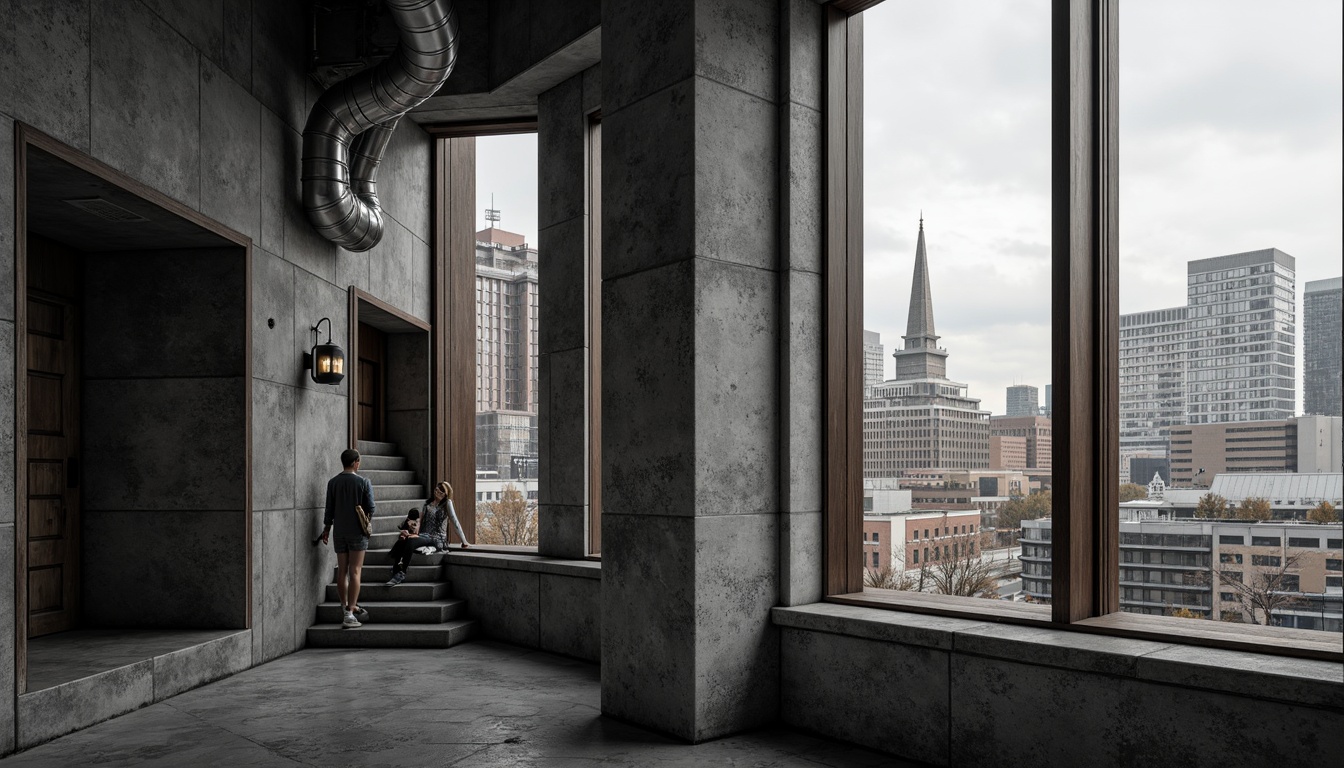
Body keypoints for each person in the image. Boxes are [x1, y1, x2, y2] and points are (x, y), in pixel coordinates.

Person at [319, 448, 375, 628]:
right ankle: (350, 613)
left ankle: (345, 608)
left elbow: (329, 510)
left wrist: (327, 529)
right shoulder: (364, 482)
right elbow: (371, 508)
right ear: (356, 462)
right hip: (357, 532)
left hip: (339, 532)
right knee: (355, 571)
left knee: (342, 571)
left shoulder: (332, 482)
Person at [385, 480, 470, 586]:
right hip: (425, 535)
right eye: (438, 487)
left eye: (442, 489)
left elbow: (455, 521)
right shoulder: (428, 503)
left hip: (438, 538)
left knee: (411, 541)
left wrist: (464, 541)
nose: (438, 490)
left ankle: (402, 573)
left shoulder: (447, 503)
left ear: (446, 494)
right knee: (404, 539)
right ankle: (396, 568)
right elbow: (420, 520)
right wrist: (413, 532)